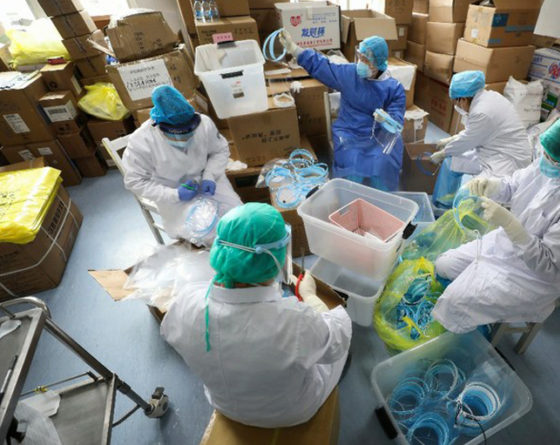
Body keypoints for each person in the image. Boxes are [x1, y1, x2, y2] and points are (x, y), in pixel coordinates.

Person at [161, 203, 351, 428]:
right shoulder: (294, 321)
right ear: (275, 256)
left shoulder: (186, 300)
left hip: (223, 404)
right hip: (291, 412)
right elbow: (337, 341)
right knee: (340, 339)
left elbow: (169, 332)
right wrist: (309, 297)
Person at [432, 108, 560, 333]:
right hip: (505, 245)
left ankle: (468, 329)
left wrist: (511, 226)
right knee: (443, 265)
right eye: (546, 153)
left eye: (552, 158)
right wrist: (493, 186)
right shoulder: (557, 162)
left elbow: (548, 266)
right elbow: (516, 183)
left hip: (531, 278)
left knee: (453, 306)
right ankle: (473, 306)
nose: (545, 160)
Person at [279, 31, 406, 191]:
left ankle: (385, 199)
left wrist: (386, 120)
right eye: (360, 57)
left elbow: (397, 120)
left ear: (378, 62)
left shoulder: (394, 88)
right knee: (352, 162)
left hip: (378, 136)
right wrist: (295, 49)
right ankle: (348, 196)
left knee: (384, 162)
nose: (360, 63)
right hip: (349, 132)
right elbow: (323, 66)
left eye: (366, 60)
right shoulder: (350, 74)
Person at [122, 85, 242, 243]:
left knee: (239, 217)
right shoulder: (141, 141)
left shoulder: (204, 124)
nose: (185, 137)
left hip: (208, 183)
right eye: (177, 132)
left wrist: (210, 175)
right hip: (172, 193)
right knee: (206, 231)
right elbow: (135, 181)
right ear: (159, 124)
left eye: (189, 130)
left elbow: (219, 151)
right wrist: (175, 194)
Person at [430, 71, 532, 179]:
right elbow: (474, 132)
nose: (458, 106)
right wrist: (450, 140)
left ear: (464, 99)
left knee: (479, 190)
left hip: (508, 159)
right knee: (454, 162)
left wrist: (443, 153)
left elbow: (468, 139)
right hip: (494, 146)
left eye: (457, 102)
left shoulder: (482, 112)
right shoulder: (488, 97)